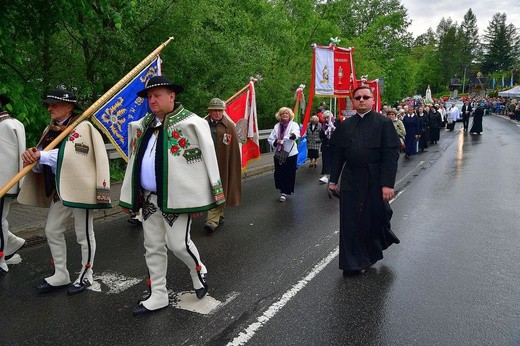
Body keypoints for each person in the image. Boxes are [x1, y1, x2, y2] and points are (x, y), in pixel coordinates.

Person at [119, 76, 224, 316]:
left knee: (177, 244)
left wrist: (203, 199)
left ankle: (197, 270)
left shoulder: (192, 123)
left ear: (172, 96)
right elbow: (133, 161)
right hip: (148, 199)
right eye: (149, 97)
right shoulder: (142, 125)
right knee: (152, 246)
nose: (152, 100)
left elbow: (205, 161)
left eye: (157, 95)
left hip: (178, 199)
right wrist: (129, 197)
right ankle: (158, 295)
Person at [19, 88, 111, 294]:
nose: (49, 107)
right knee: (52, 229)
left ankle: (87, 274)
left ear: (69, 107)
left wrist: (41, 156)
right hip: (60, 191)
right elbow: (41, 161)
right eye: (48, 104)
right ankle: (61, 274)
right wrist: (32, 157)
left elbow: (75, 157)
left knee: (83, 233)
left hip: (81, 190)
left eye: (55, 104)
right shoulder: (49, 130)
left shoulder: (83, 127)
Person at [328, 85, 400, 276]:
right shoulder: (345, 126)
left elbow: (390, 155)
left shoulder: (384, 123)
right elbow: (338, 155)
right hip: (351, 177)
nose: (361, 100)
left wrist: (387, 184)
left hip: (374, 178)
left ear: (373, 100)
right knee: (350, 221)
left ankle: (369, 254)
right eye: (357, 97)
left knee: (372, 219)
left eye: (365, 97)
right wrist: (333, 180)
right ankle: (351, 263)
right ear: (353, 100)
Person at [203, 98, 241, 233]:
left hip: (222, 163)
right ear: (210, 111)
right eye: (215, 110)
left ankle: (212, 220)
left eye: (220, 110)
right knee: (208, 189)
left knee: (219, 188)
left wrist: (231, 164)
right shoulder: (202, 124)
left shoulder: (229, 126)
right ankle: (220, 213)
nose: (218, 113)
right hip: (205, 163)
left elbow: (233, 148)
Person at [0, 94, 26, 274]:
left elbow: (20, 155)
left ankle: (1, 258)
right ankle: (13, 244)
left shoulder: (10, 125)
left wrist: (17, 184)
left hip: (4, 183)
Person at [267, 107, 300, 202]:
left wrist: (290, 136)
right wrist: (276, 141)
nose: (284, 115)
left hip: (290, 153)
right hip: (279, 152)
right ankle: (282, 189)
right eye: (282, 114)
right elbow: (270, 138)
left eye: (286, 113)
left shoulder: (293, 125)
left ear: (289, 115)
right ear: (280, 116)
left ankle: (285, 192)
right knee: (279, 172)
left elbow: (296, 134)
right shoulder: (277, 126)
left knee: (289, 172)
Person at [319, 111, 336, 183]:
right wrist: (324, 132)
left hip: (334, 145)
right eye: (325, 118)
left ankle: (333, 176)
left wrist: (332, 126)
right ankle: (325, 176)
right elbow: (321, 136)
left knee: (334, 160)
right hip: (326, 145)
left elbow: (339, 132)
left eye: (327, 117)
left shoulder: (336, 122)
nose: (326, 119)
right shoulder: (323, 125)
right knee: (325, 160)